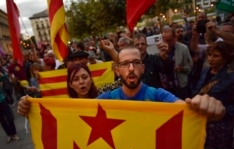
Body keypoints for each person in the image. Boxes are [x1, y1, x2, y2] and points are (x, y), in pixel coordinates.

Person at [18, 46, 225, 122]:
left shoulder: (159, 95)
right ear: (118, 71)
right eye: (125, 64)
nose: (131, 69)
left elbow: (187, 110)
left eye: (136, 63)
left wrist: (205, 109)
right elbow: (75, 116)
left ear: (143, 68)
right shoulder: (106, 99)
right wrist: (32, 107)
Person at [192, 41, 234, 149]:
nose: (211, 59)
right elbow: (196, 89)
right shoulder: (205, 71)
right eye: (209, 55)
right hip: (203, 124)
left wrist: (223, 111)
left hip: (222, 127)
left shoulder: (230, 78)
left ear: (225, 58)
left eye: (216, 56)